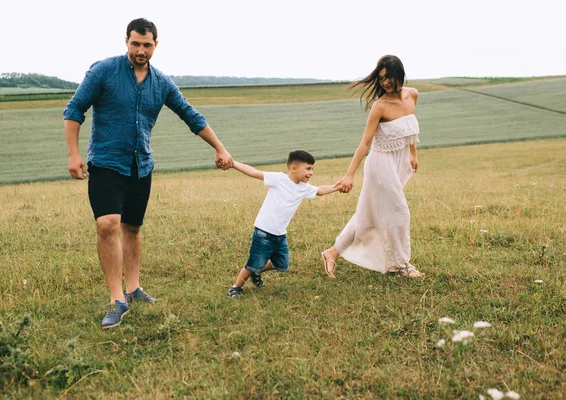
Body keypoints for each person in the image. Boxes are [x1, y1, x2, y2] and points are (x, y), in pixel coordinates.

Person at [63, 18, 233, 329]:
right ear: (126, 42)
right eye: (135, 44)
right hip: (105, 162)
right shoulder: (103, 71)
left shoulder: (162, 83)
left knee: (132, 228)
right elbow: (74, 109)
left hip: (141, 166)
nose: (141, 50)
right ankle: (118, 299)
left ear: (156, 45)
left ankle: (134, 288)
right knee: (107, 224)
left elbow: (190, 115)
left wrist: (220, 148)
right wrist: (73, 154)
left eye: (147, 45)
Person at [321, 55, 425, 279]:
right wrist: (349, 175)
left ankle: (331, 252)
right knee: (399, 211)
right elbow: (365, 143)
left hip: (399, 161)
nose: (385, 83)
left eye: (388, 77)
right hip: (380, 163)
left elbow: (410, 128)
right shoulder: (380, 106)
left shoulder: (412, 94)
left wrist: (413, 154)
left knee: (369, 214)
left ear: (400, 73)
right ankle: (400, 266)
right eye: (381, 79)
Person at [227, 150, 339, 297]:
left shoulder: (304, 188)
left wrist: (337, 187)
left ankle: (257, 271)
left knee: (281, 264)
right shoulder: (279, 179)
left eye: (312, 169)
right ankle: (236, 287)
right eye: (308, 168)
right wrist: (233, 164)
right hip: (264, 231)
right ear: (294, 168)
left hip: (280, 234)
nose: (311, 173)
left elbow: (320, 190)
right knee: (254, 262)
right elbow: (254, 172)